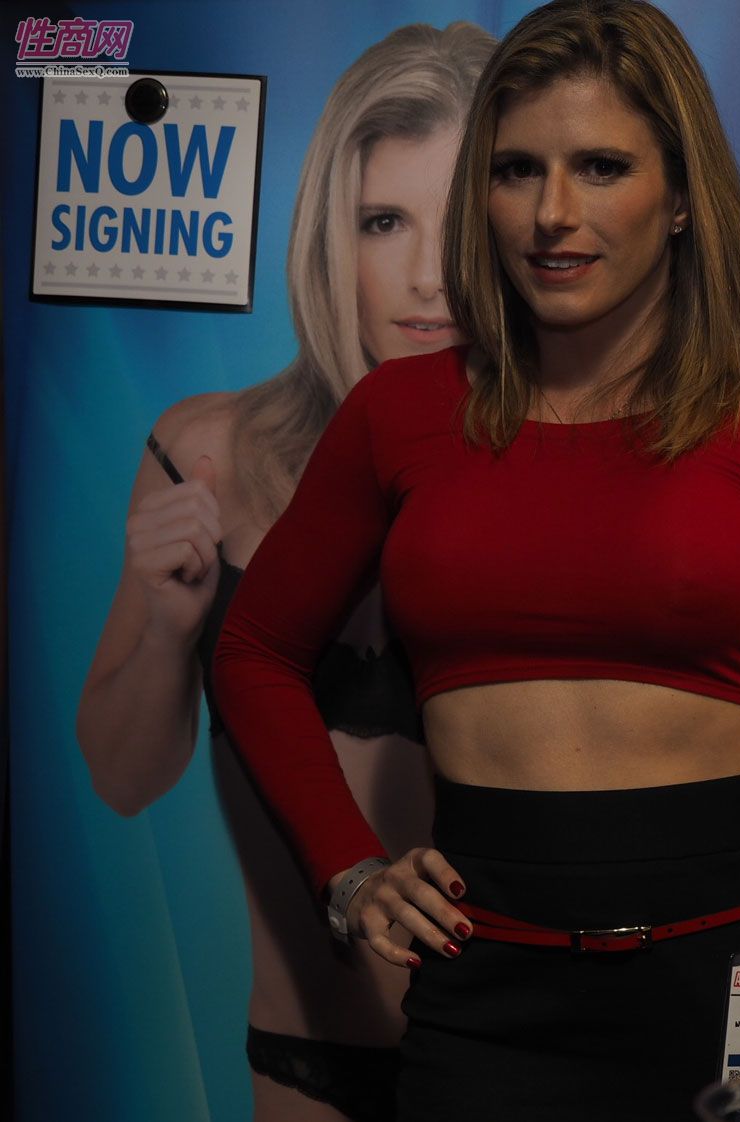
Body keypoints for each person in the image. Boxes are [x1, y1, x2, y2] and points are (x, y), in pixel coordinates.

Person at [213, 2, 740, 1119]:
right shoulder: (398, 414)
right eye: (516, 170)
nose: (552, 213)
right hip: (487, 994)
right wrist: (349, 870)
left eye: (601, 166)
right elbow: (253, 650)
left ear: (681, 197)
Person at [76, 22, 496, 1122]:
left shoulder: (552, 466)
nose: (427, 276)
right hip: (305, 1061)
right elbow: (121, 780)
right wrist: (168, 625)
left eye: (459, 224)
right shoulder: (207, 452)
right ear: (327, 237)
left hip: (525, 1058)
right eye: (383, 221)